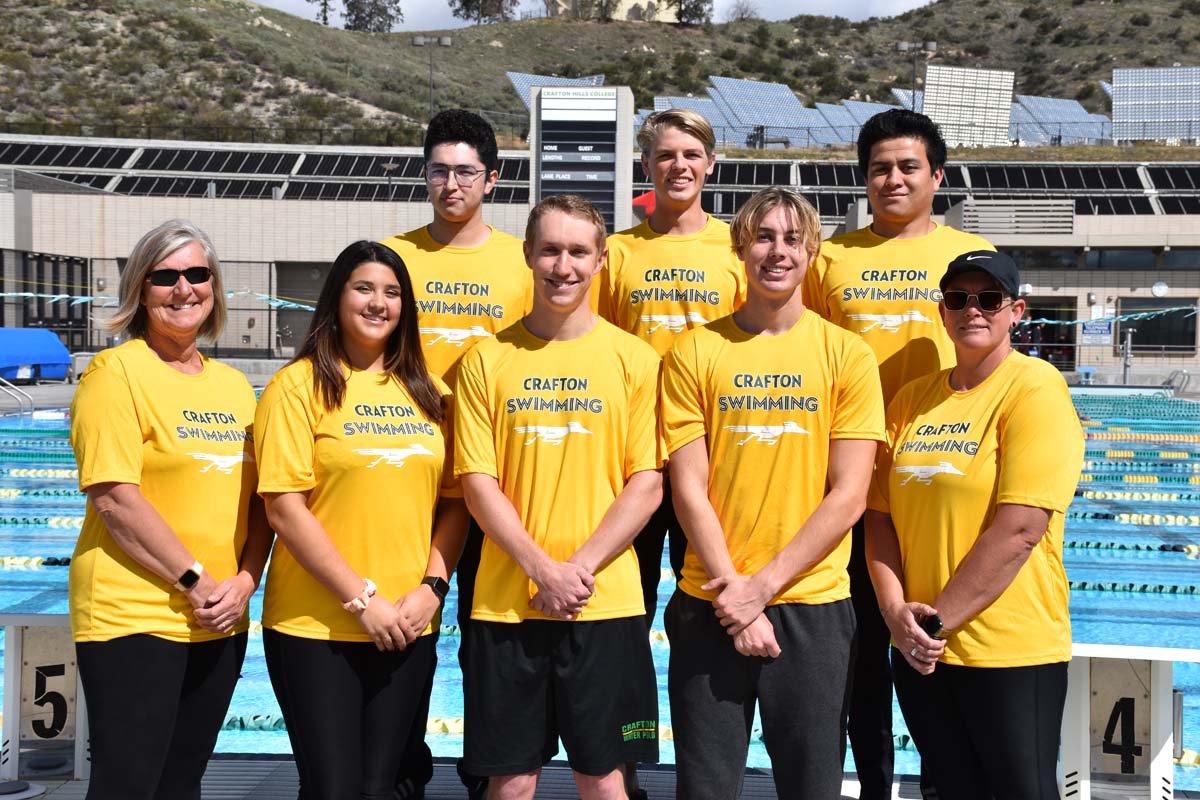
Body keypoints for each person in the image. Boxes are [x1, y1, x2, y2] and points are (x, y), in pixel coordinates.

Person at [661, 187, 885, 799]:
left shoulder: (847, 355)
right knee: (705, 790)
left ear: (812, 251)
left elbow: (849, 494)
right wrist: (736, 592)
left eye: (792, 239)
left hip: (810, 604)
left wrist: (759, 591)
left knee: (811, 788)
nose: (777, 251)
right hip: (710, 598)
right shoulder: (694, 352)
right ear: (740, 249)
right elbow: (688, 488)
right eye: (763, 237)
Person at [801, 108, 995, 799]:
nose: (893, 178)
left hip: (935, 484)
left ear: (937, 176)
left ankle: (945, 782)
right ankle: (875, 788)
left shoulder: (971, 255)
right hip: (847, 487)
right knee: (856, 663)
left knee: (936, 645)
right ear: (864, 179)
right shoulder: (831, 259)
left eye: (908, 166)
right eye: (879, 167)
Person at [455, 194, 662, 800]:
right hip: (506, 602)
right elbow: (476, 482)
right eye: (549, 250)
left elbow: (646, 483)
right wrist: (540, 568)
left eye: (577, 251)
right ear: (527, 255)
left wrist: (577, 569)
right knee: (512, 781)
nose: (562, 266)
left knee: (603, 780)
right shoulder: (485, 361)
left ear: (601, 260)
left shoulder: (635, 360)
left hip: (605, 602)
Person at [253, 240, 468, 799]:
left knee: (384, 786)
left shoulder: (430, 395)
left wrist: (432, 590)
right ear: (337, 297)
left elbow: (455, 503)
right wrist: (360, 599)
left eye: (393, 292)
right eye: (364, 288)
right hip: (315, 628)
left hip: (406, 624)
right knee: (333, 789)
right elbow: (283, 507)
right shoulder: (295, 388)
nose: (379, 303)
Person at [865, 250, 1083, 797]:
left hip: (1008, 649)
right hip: (923, 653)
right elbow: (879, 518)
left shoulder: (1034, 388)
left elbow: (1020, 529)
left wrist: (930, 627)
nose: (972, 310)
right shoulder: (912, 400)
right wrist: (896, 617)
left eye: (988, 299)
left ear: (1016, 311)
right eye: (958, 299)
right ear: (943, 312)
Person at [69, 219, 271, 800]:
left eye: (197, 274)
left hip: (219, 616)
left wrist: (244, 581)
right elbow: (114, 498)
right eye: (165, 276)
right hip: (134, 615)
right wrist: (195, 580)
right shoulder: (114, 375)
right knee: (129, 784)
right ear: (140, 288)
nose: (184, 289)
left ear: (215, 286)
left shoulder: (234, 386)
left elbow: (260, 502)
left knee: (182, 784)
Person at [381, 108, 531, 798]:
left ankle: (484, 773)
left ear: (492, 180)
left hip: (496, 479)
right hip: (409, 479)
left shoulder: (520, 262)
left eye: (465, 171)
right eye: (438, 170)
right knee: (406, 629)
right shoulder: (393, 257)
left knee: (485, 641)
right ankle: (402, 768)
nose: (450, 183)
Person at [595, 107, 746, 622]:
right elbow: (598, 350)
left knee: (706, 593)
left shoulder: (737, 250)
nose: (678, 166)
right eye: (665, 155)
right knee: (624, 595)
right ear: (645, 165)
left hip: (713, 452)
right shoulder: (616, 252)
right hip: (634, 454)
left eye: (690, 155)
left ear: (710, 165)